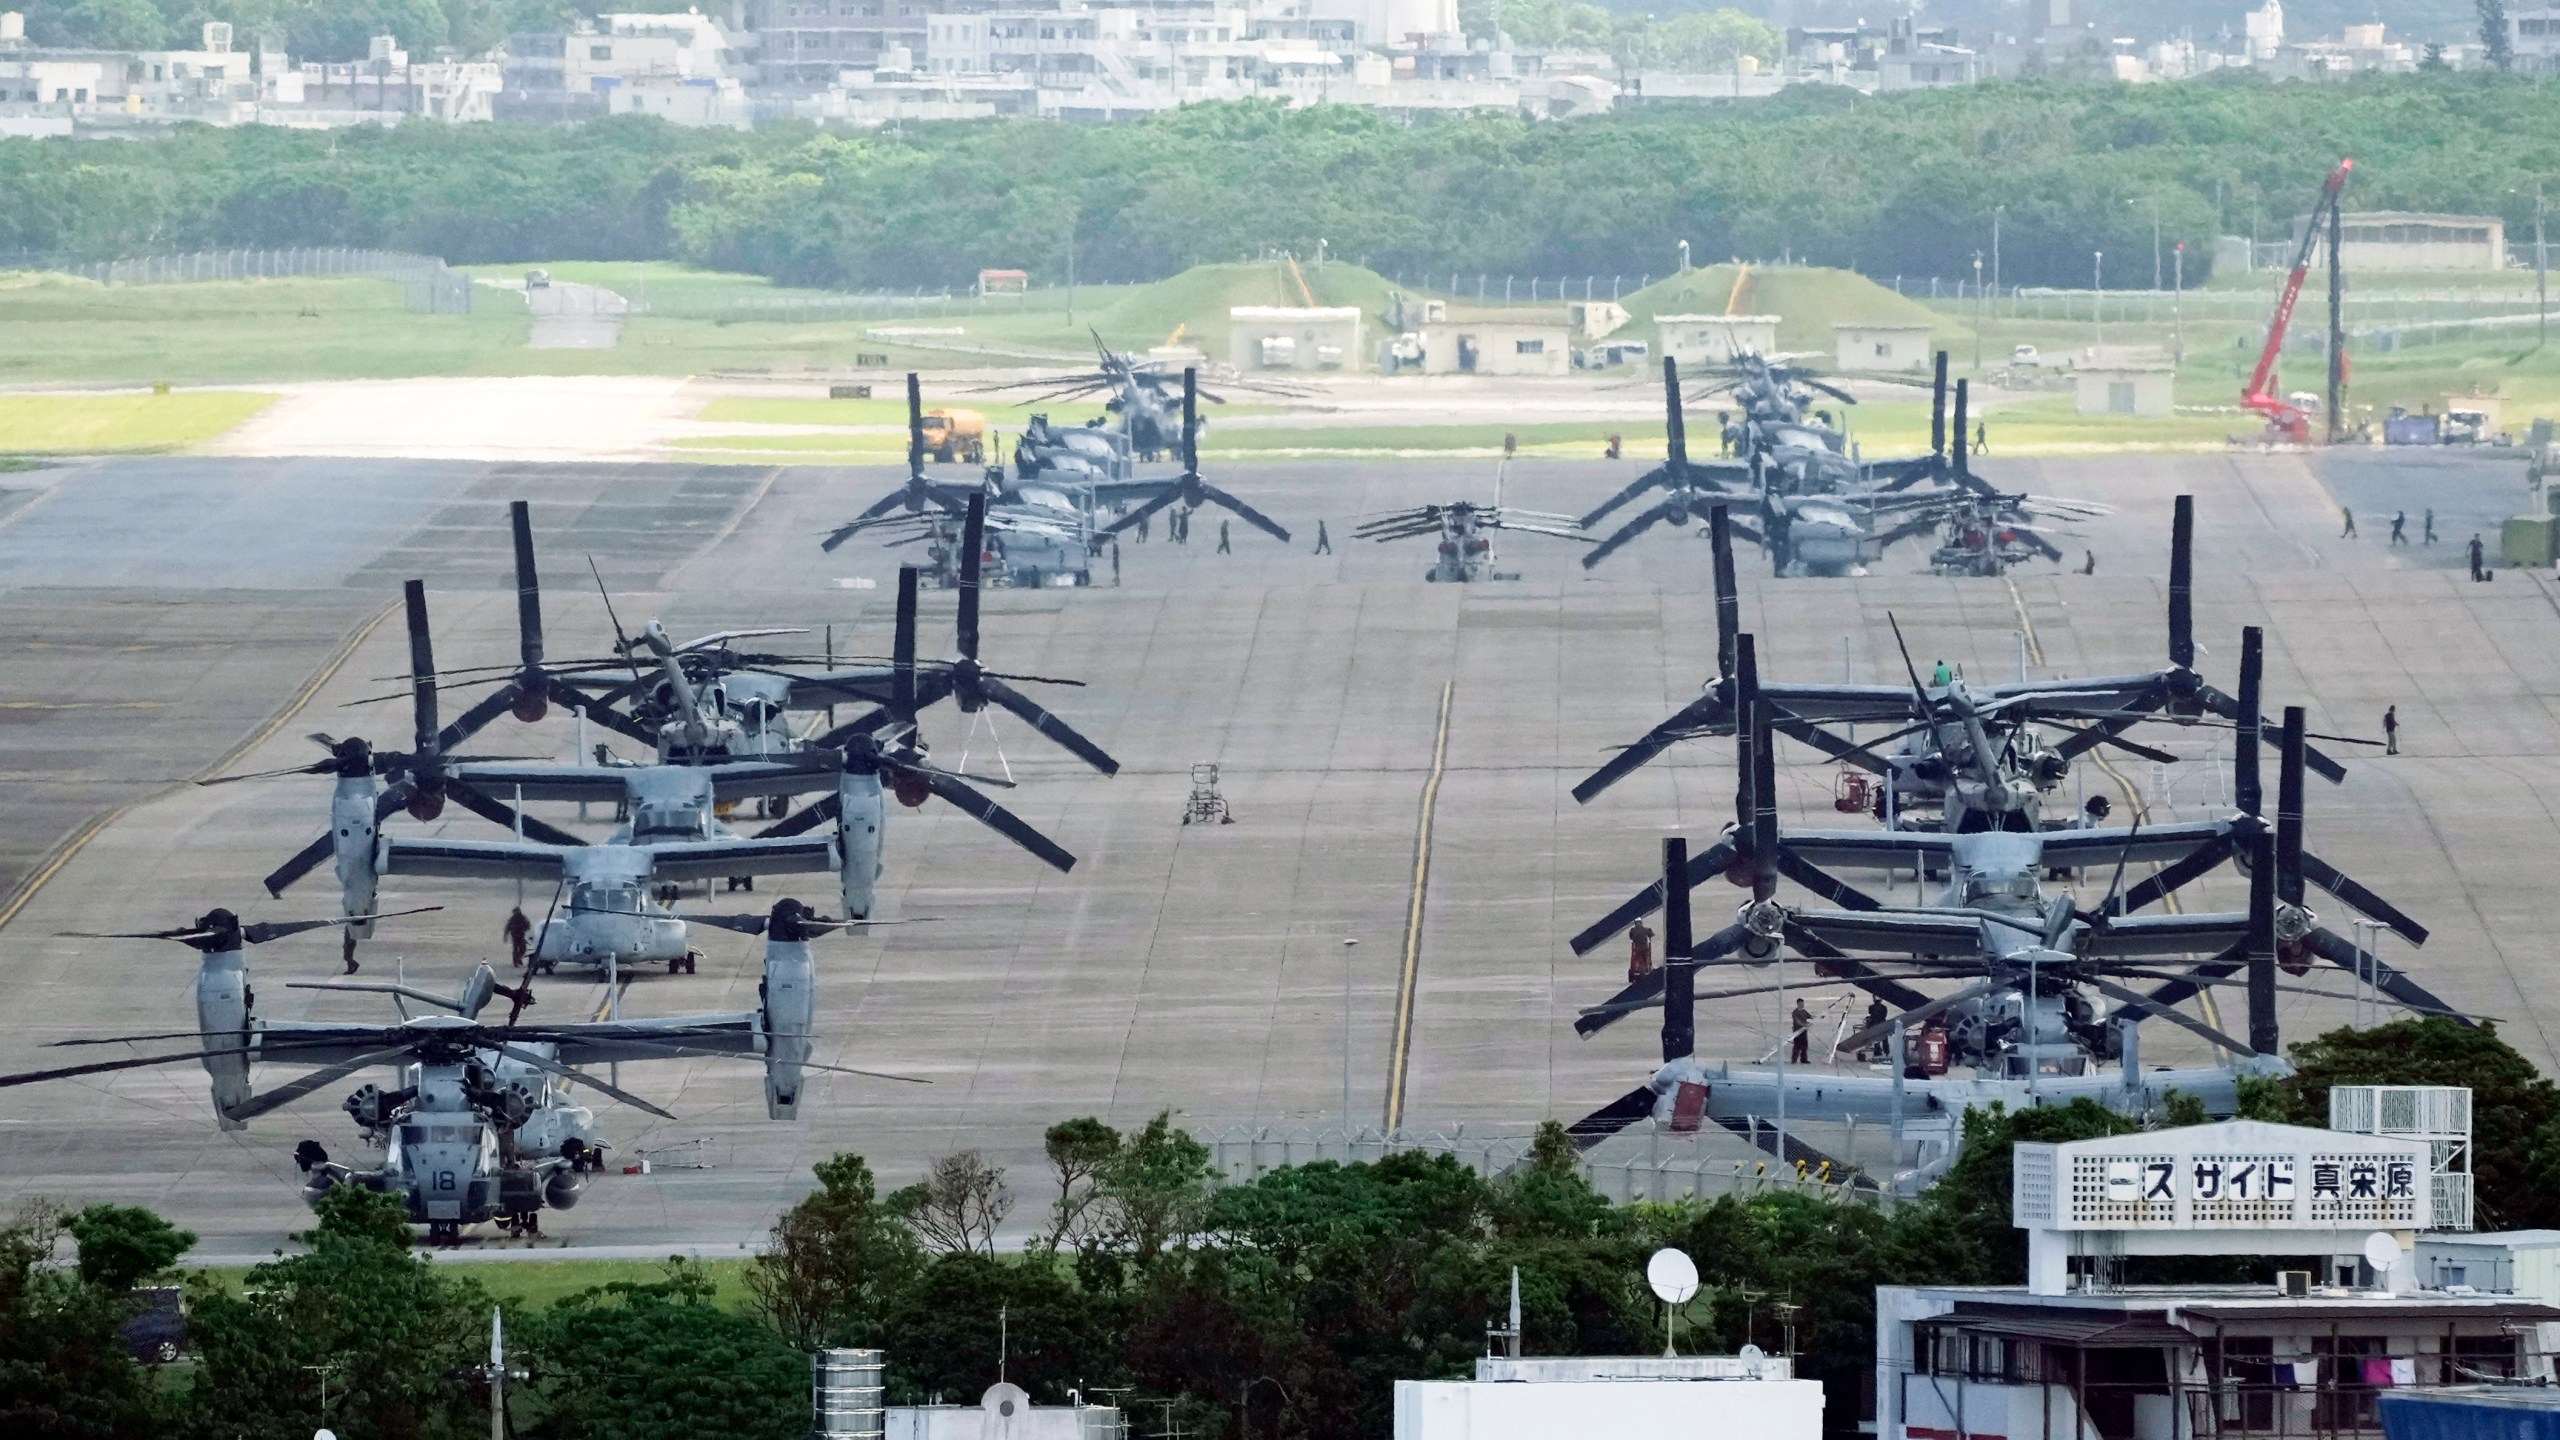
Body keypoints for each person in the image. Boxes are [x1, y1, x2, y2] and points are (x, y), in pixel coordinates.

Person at [1627, 919, 1655, 984]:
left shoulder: (1632, 930)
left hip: (1637, 949)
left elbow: (1631, 937)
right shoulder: (1646, 929)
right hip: (1645, 948)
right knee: (1646, 960)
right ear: (1641, 923)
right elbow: (1652, 934)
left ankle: (1641, 970)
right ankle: (1646, 969)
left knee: (1639, 960)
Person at [1788, 998, 1813, 1064]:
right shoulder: (1795, 1012)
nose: (1802, 1005)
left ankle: (1803, 1059)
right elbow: (1797, 1021)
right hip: (1797, 1031)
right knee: (1797, 1045)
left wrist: (1818, 1016)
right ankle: (1794, 1059)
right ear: (1798, 1004)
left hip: (1804, 1031)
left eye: (1803, 1003)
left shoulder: (1804, 1011)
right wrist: (1804, 1024)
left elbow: (1810, 1016)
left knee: (1804, 1045)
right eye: (1801, 1004)